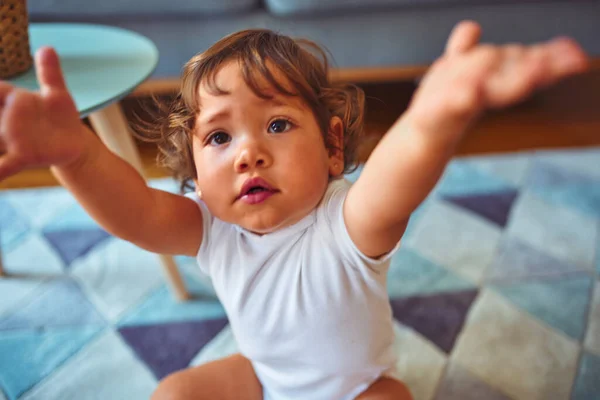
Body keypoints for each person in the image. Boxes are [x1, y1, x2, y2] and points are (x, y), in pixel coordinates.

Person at [0, 21, 589, 400]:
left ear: (334, 147)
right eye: (219, 138)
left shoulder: (348, 222)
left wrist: (438, 112)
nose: (249, 152)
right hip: (265, 379)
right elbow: (133, 212)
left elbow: (397, 175)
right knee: (174, 394)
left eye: (277, 125)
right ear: (196, 174)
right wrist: (76, 155)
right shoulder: (210, 226)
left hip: (357, 389)